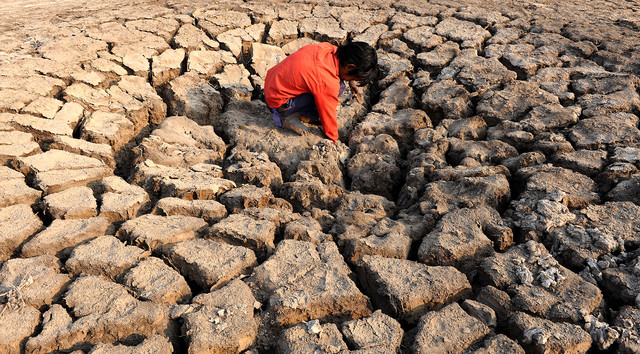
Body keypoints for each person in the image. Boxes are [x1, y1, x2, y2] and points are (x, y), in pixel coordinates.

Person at [263, 41, 378, 142]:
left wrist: (351, 80)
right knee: (336, 90)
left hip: (271, 86)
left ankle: (299, 113)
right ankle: (288, 116)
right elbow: (327, 112)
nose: (352, 80)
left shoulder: (327, 48)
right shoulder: (327, 81)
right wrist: (333, 139)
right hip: (280, 102)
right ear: (350, 67)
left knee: (337, 86)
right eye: (354, 78)